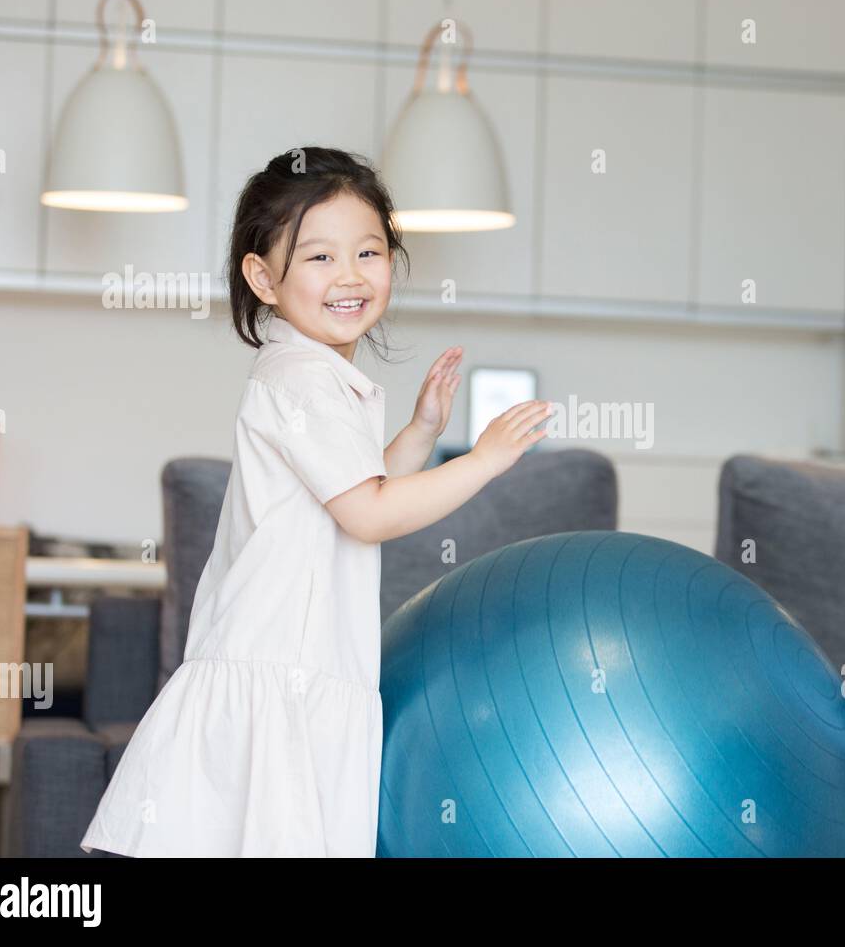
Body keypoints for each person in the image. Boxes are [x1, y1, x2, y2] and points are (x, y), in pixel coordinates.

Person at [80, 147, 550, 856]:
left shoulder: (315, 377)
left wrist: (421, 429)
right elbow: (370, 514)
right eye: (319, 258)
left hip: (300, 673)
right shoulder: (302, 378)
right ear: (263, 278)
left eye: (368, 251)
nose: (351, 275)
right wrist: (482, 463)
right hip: (280, 675)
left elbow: (356, 495)